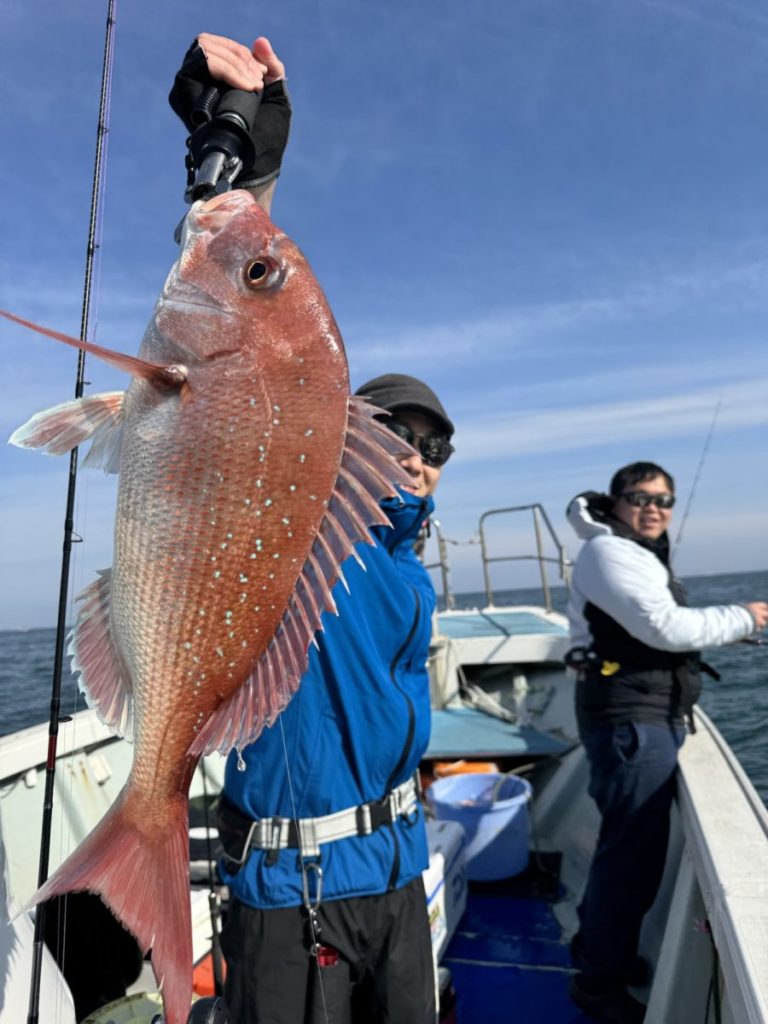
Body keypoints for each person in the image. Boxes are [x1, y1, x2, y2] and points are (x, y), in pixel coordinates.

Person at [170, 36, 457, 1024]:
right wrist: (239, 156)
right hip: (291, 894)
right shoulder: (305, 529)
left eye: (436, 442)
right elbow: (242, 338)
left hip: (399, 875)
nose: (416, 453)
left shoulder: (409, 568)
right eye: (394, 432)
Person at [564, 461, 768, 1024]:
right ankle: (598, 983)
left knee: (623, 847)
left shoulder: (631, 550)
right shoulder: (608, 551)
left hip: (645, 711)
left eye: (664, 500)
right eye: (640, 497)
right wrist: (744, 617)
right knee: (632, 857)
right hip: (631, 717)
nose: (654, 508)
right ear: (616, 501)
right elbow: (665, 627)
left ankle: (597, 947)